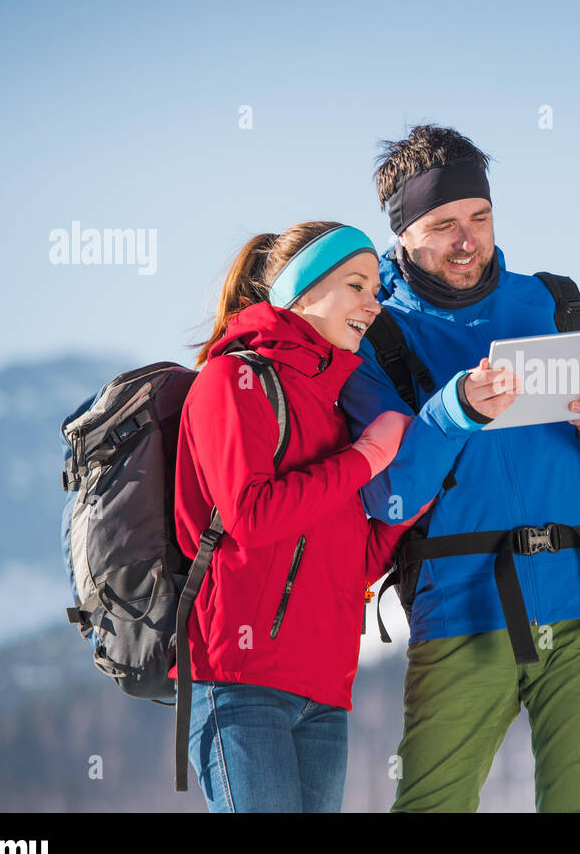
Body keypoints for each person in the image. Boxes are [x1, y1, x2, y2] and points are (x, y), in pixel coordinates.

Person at [338, 126, 580, 812]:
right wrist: (453, 411)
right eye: (445, 224)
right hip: (464, 604)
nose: (468, 239)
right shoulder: (376, 335)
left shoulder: (556, 302)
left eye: (481, 218)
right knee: (431, 803)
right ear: (402, 234)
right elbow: (390, 496)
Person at [172, 221, 426, 812]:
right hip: (239, 682)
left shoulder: (333, 409)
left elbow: (352, 562)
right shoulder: (231, 382)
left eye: (375, 289)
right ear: (299, 292)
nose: (374, 302)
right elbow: (252, 517)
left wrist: (415, 491)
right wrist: (366, 458)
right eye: (357, 285)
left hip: (324, 691)